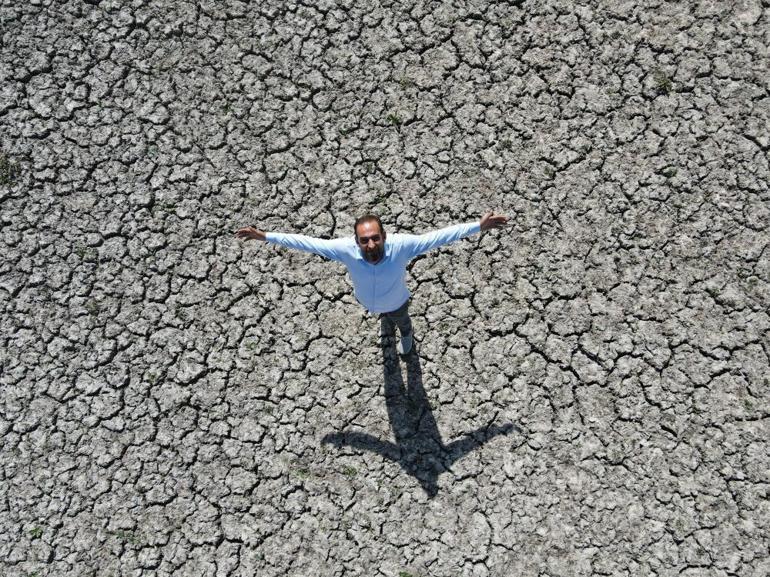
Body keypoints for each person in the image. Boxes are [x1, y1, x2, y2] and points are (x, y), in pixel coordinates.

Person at [235, 212, 508, 355]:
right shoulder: (344, 250)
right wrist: (265, 236)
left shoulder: (402, 246)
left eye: (375, 238)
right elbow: (306, 243)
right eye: (364, 239)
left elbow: (438, 237)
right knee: (383, 319)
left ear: (384, 236)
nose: (370, 243)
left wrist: (477, 227)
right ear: (356, 241)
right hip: (368, 302)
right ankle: (386, 324)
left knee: (402, 321)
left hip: (398, 301)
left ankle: (407, 335)